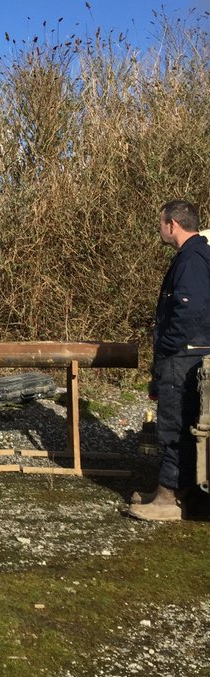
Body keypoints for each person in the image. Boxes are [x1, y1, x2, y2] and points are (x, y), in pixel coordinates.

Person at [128, 200, 210, 521]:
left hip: (183, 355)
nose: (159, 229)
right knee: (181, 425)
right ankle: (171, 492)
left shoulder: (191, 259)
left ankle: (168, 499)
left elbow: (188, 310)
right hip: (188, 353)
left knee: (173, 427)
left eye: (161, 223)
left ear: (173, 224)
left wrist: (169, 346)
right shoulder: (194, 256)